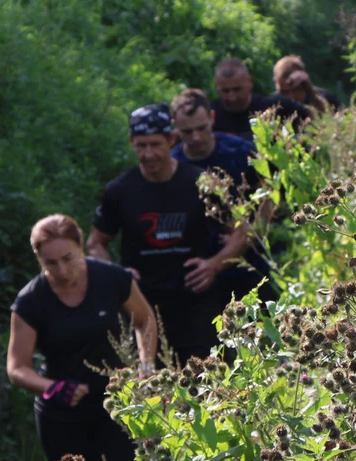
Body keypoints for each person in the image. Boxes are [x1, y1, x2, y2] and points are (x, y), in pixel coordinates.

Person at [7, 214, 157, 461]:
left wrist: (144, 366)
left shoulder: (112, 279)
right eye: (50, 264)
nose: (61, 270)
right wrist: (53, 389)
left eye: (67, 259)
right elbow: (17, 368)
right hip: (63, 415)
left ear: (81, 248)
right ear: (38, 260)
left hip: (115, 405)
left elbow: (145, 321)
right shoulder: (31, 301)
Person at [87, 103, 248, 363]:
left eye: (155, 144)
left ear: (171, 139)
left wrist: (214, 265)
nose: (148, 154)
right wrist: (117, 275)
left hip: (195, 302)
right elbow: (95, 243)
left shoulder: (201, 183)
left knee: (205, 384)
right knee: (150, 386)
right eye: (141, 146)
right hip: (142, 306)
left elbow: (242, 230)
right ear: (131, 143)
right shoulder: (120, 191)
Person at [170, 88, 276, 305]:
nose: (196, 137)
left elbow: (270, 194)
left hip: (247, 258)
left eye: (201, 128)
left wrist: (254, 232)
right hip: (195, 266)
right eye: (187, 132)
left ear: (212, 118)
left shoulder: (239, 151)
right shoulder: (173, 163)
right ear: (175, 128)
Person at [212, 57, 312, 139]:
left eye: (237, 89)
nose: (232, 97)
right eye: (225, 91)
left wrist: (309, 90)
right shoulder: (210, 117)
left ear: (249, 82)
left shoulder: (275, 108)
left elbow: (319, 119)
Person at [272, 55, 342, 114]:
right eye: (284, 92)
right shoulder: (274, 105)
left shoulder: (327, 98)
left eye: (295, 90)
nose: (290, 96)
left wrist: (312, 94)